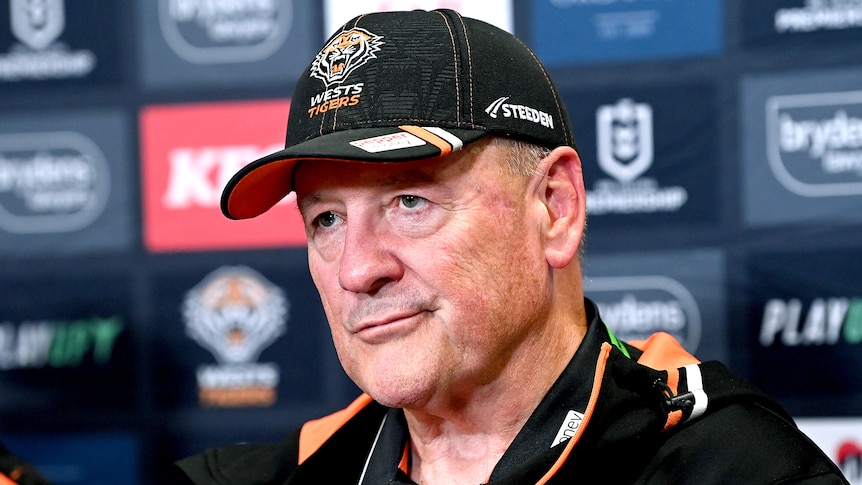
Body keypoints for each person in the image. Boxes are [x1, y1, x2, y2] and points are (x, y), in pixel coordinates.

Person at [173, 9, 848, 484]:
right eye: (325, 220)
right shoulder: (296, 467)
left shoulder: (728, 466)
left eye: (410, 202)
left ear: (554, 208)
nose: (357, 269)